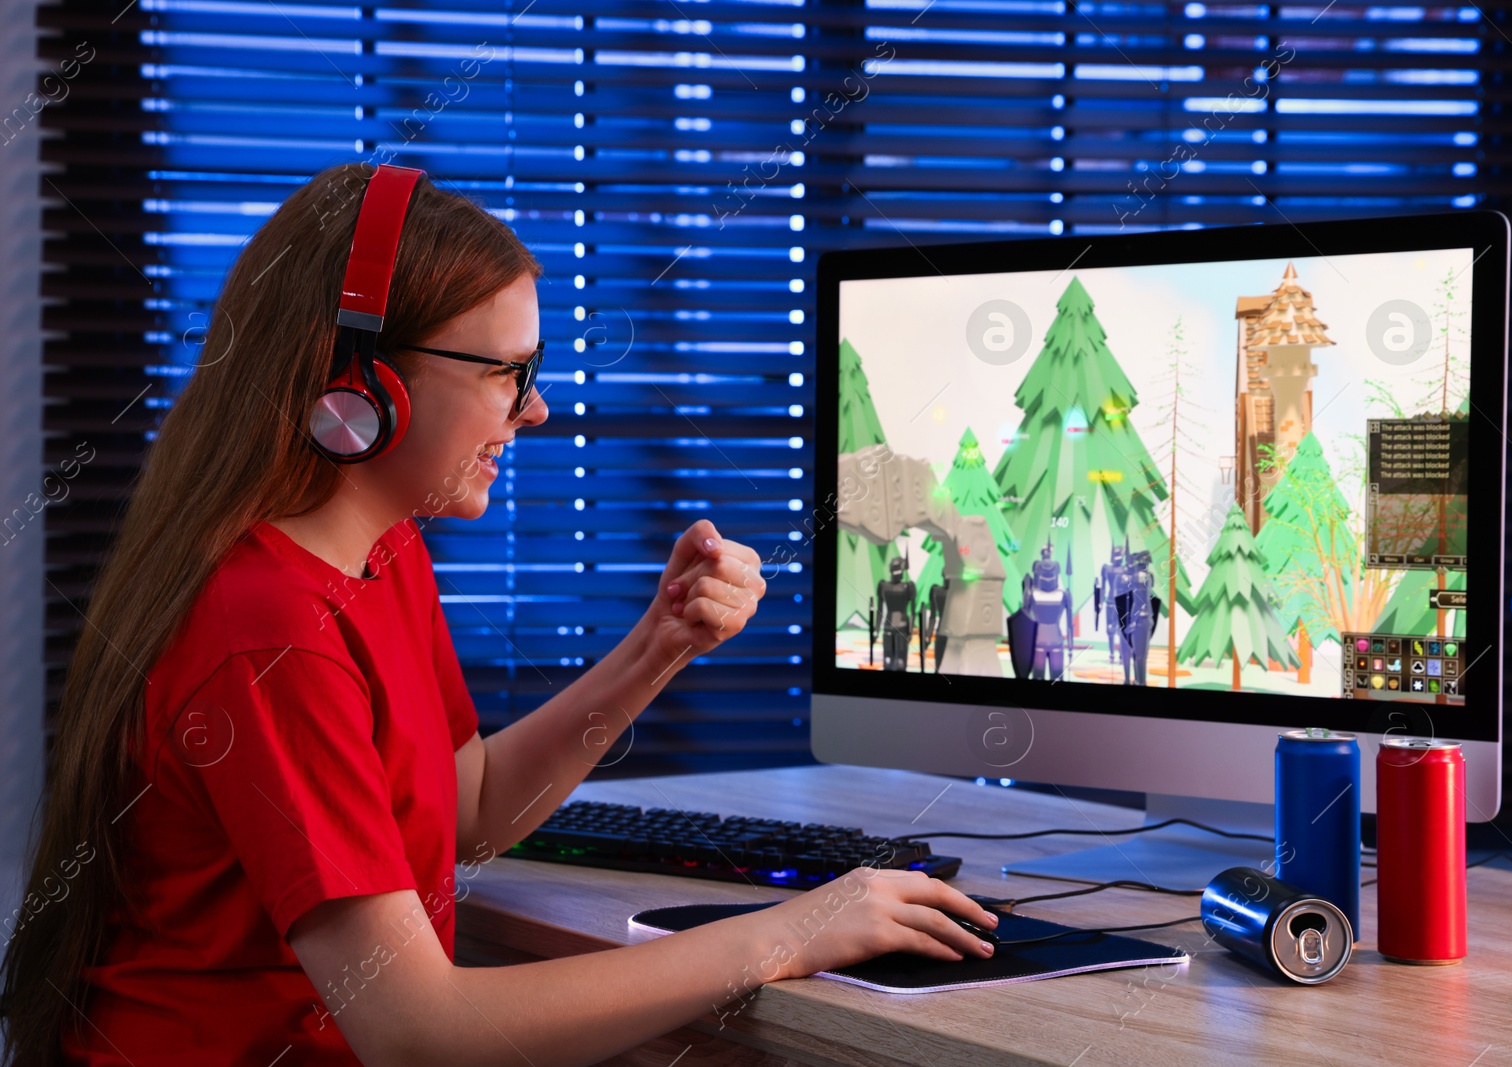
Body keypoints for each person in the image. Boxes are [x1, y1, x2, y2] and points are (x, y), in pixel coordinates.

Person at [0, 162, 996, 1067]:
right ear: (362, 386)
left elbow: (468, 809)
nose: (534, 409)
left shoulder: (377, 548)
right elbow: (415, 1028)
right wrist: (784, 933)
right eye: (503, 372)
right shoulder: (271, 629)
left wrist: (659, 644)